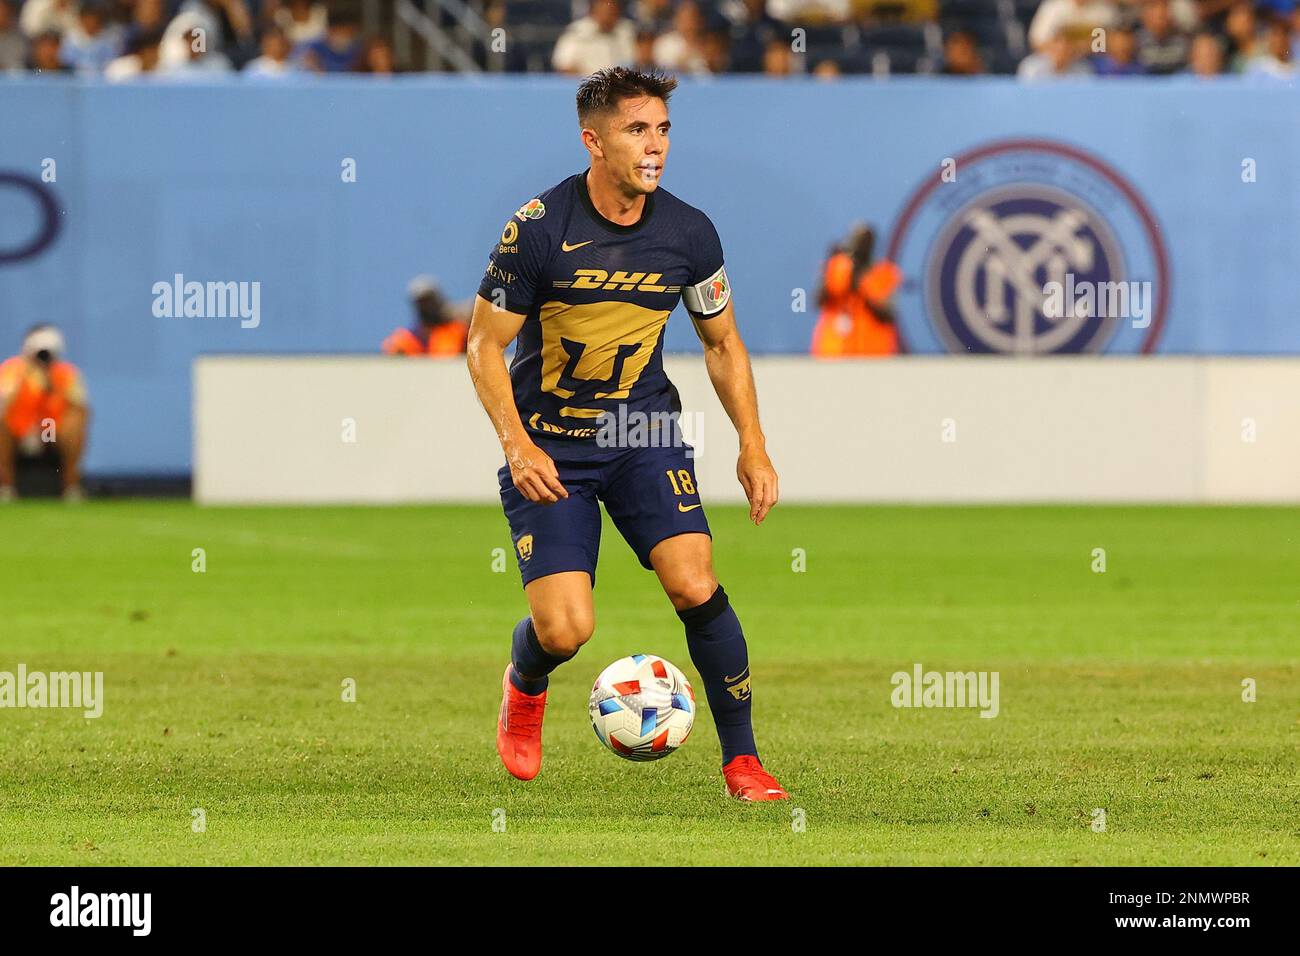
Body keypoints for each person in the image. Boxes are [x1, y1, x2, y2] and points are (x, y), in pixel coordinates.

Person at [466, 67, 787, 801]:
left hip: (643, 431)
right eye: (637, 130)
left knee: (694, 581)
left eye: (663, 129)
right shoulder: (537, 229)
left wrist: (753, 443)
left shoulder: (689, 233)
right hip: (552, 447)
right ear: (594, 140)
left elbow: (722, 344)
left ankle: (742, 761)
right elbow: (483, 345)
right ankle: (525, 681)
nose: (655, 145)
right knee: (566, 631)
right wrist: (517, 444)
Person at [0, 325, 88, 502]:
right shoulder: (12, 370)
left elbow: (81, 407)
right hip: (19, 431)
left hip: (50, 431)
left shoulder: (65, 374)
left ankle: (71, 488)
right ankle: (6, 488)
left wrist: (51, 384)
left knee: (75, 422)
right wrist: (22, 380)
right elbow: (4, 403)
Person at [811, 224, 902, 357]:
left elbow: (887, 313)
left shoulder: (883, 273)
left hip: (873, 352)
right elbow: (818, 300)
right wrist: (828, 270)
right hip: (835, 350)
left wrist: (862, 283)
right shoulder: (837, 269)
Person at [382, 276, 469, 356]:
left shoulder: (456, 331)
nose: (427, 307)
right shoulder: (405, 339)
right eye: (422, 303)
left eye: (430, 301)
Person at [552, 0, 636, 75]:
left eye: (612, 10)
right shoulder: (576, 32)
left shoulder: (629, 31)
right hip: (586, 83)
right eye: (603, 9)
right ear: (592, 9)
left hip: (623, 84)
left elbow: (640, 62)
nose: (608, 13)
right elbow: (563, 66)